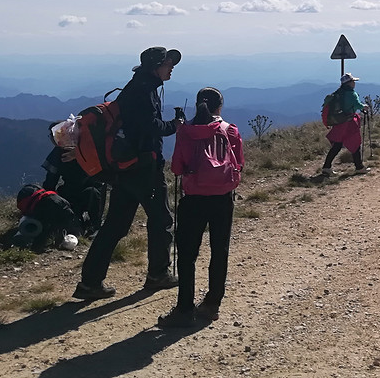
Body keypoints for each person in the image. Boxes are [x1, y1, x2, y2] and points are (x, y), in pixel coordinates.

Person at [74, 47, 182, 301]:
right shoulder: (143, 92)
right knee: (162, 220)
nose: (171, 67)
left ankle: (90, 283)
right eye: (168, 63)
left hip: (125, 169)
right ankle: (158, 274)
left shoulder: (136, 87)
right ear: (156, 66)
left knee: (115, 225)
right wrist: (174, 126)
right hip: (144, 169)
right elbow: (149, 127)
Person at [158, 87, 244, 328]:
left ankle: (184, 308)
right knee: (220, 249)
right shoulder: (230, 130)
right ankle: (212, 303)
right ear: (220, 106)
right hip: (222, 198)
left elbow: (176, 168)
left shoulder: (185, 131)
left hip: (193, 199)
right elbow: (240, 164)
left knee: (186, 254)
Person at [41, 140, 106, 238]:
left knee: (93, 192)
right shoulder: (60, 151)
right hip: (69, 191)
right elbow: (50, 181)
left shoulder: (92, 148)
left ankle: (95, 225)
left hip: (90, 192)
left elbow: (102, 180)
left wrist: (80, 154)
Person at [321, 74, 370, 173]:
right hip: (349, 122)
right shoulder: (352, 94)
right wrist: (364, 107)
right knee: (355, 143)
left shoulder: (339, 92)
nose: (354, 83)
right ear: (349, 83)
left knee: (337, 145)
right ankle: (359, 167)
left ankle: (326, 167)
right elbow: (357, 105)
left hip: (339, 122)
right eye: (353, 81)